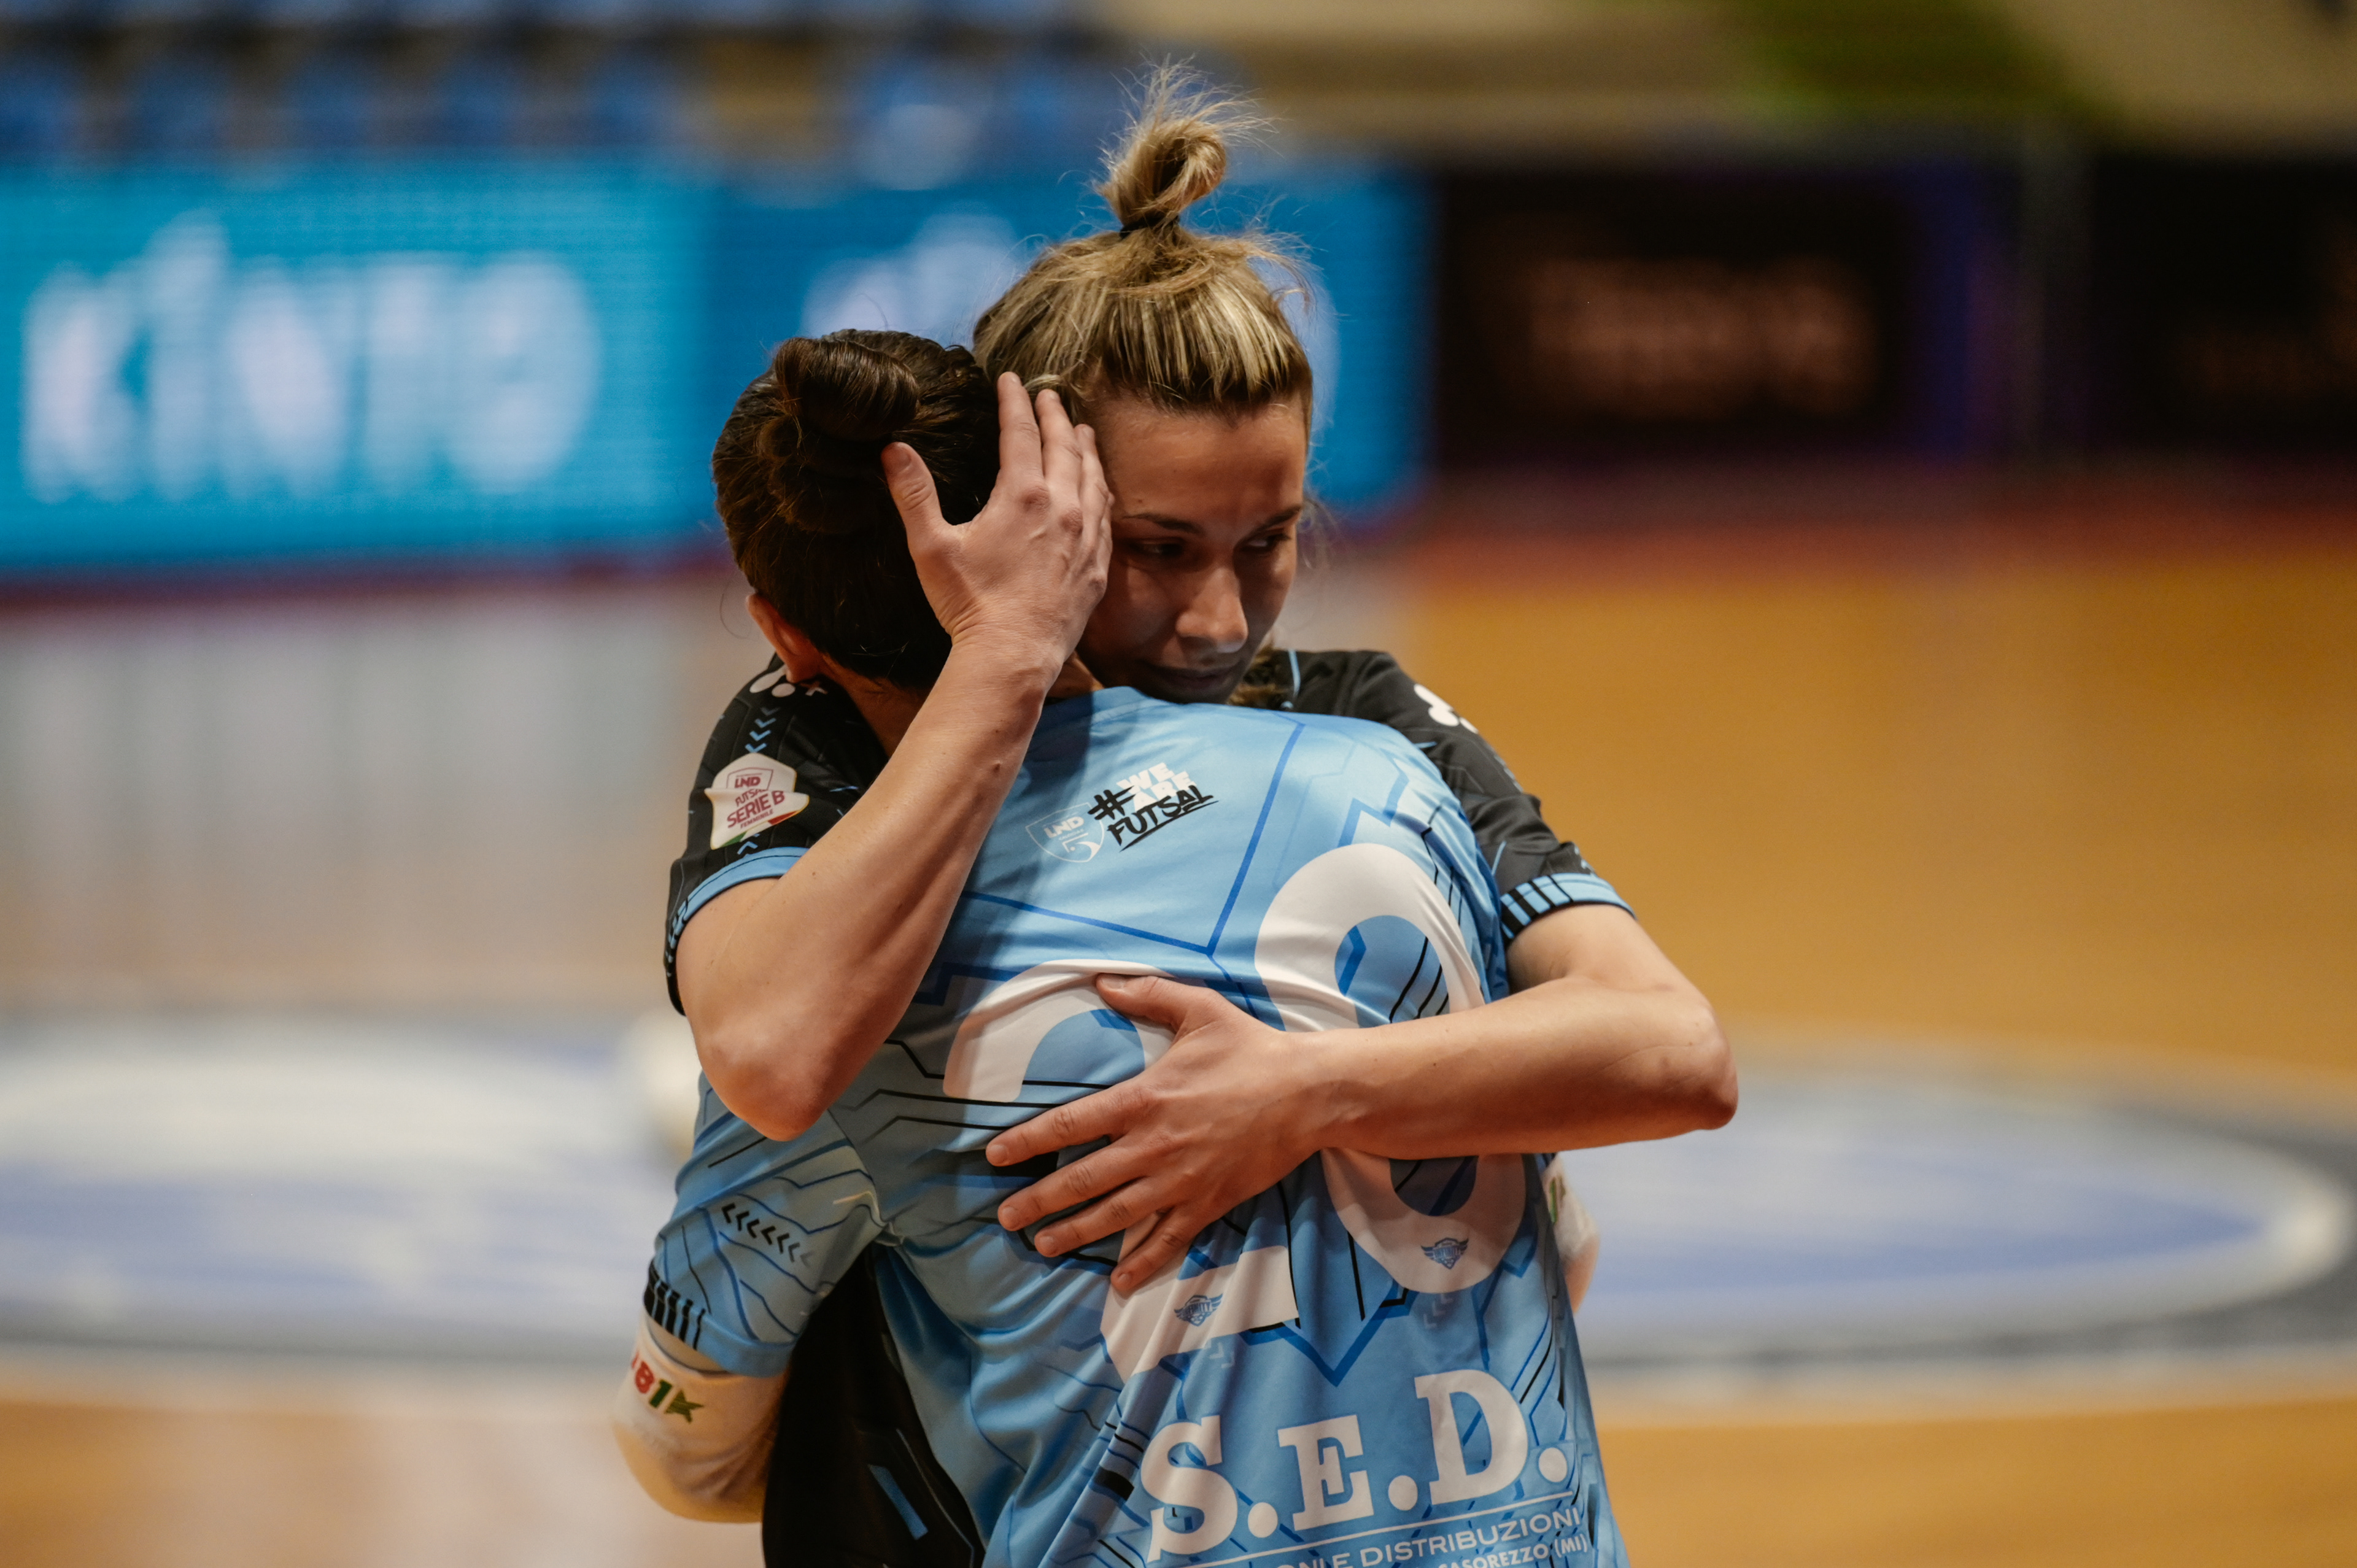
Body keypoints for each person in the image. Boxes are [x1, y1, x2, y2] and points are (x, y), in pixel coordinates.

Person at [616, 329, 1631, 1568]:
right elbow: (1564, 1245)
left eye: (1267, 541)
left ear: (784, 636)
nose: (1218, 622)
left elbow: (685, 1447)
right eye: (1167, 548)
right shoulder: (1392, 777)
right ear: (1073, 532)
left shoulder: (850, 986)